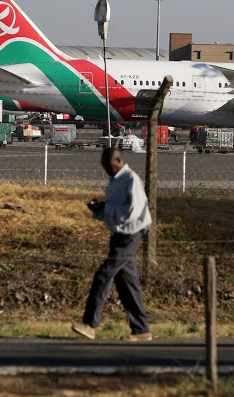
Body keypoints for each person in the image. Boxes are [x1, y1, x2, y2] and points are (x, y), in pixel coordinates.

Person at [72, 147, 153, 342]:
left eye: (109, 167)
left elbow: (131, 213)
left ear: (118, 161)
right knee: (127, 285)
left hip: (130, 235)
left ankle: (90, 324)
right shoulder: (115, 180)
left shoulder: (131, 180)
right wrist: (99, 208)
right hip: (119, 235)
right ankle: (141, 329)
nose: (107, 171)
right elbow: (115, 210)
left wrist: (106, 208)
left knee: (103, 275)